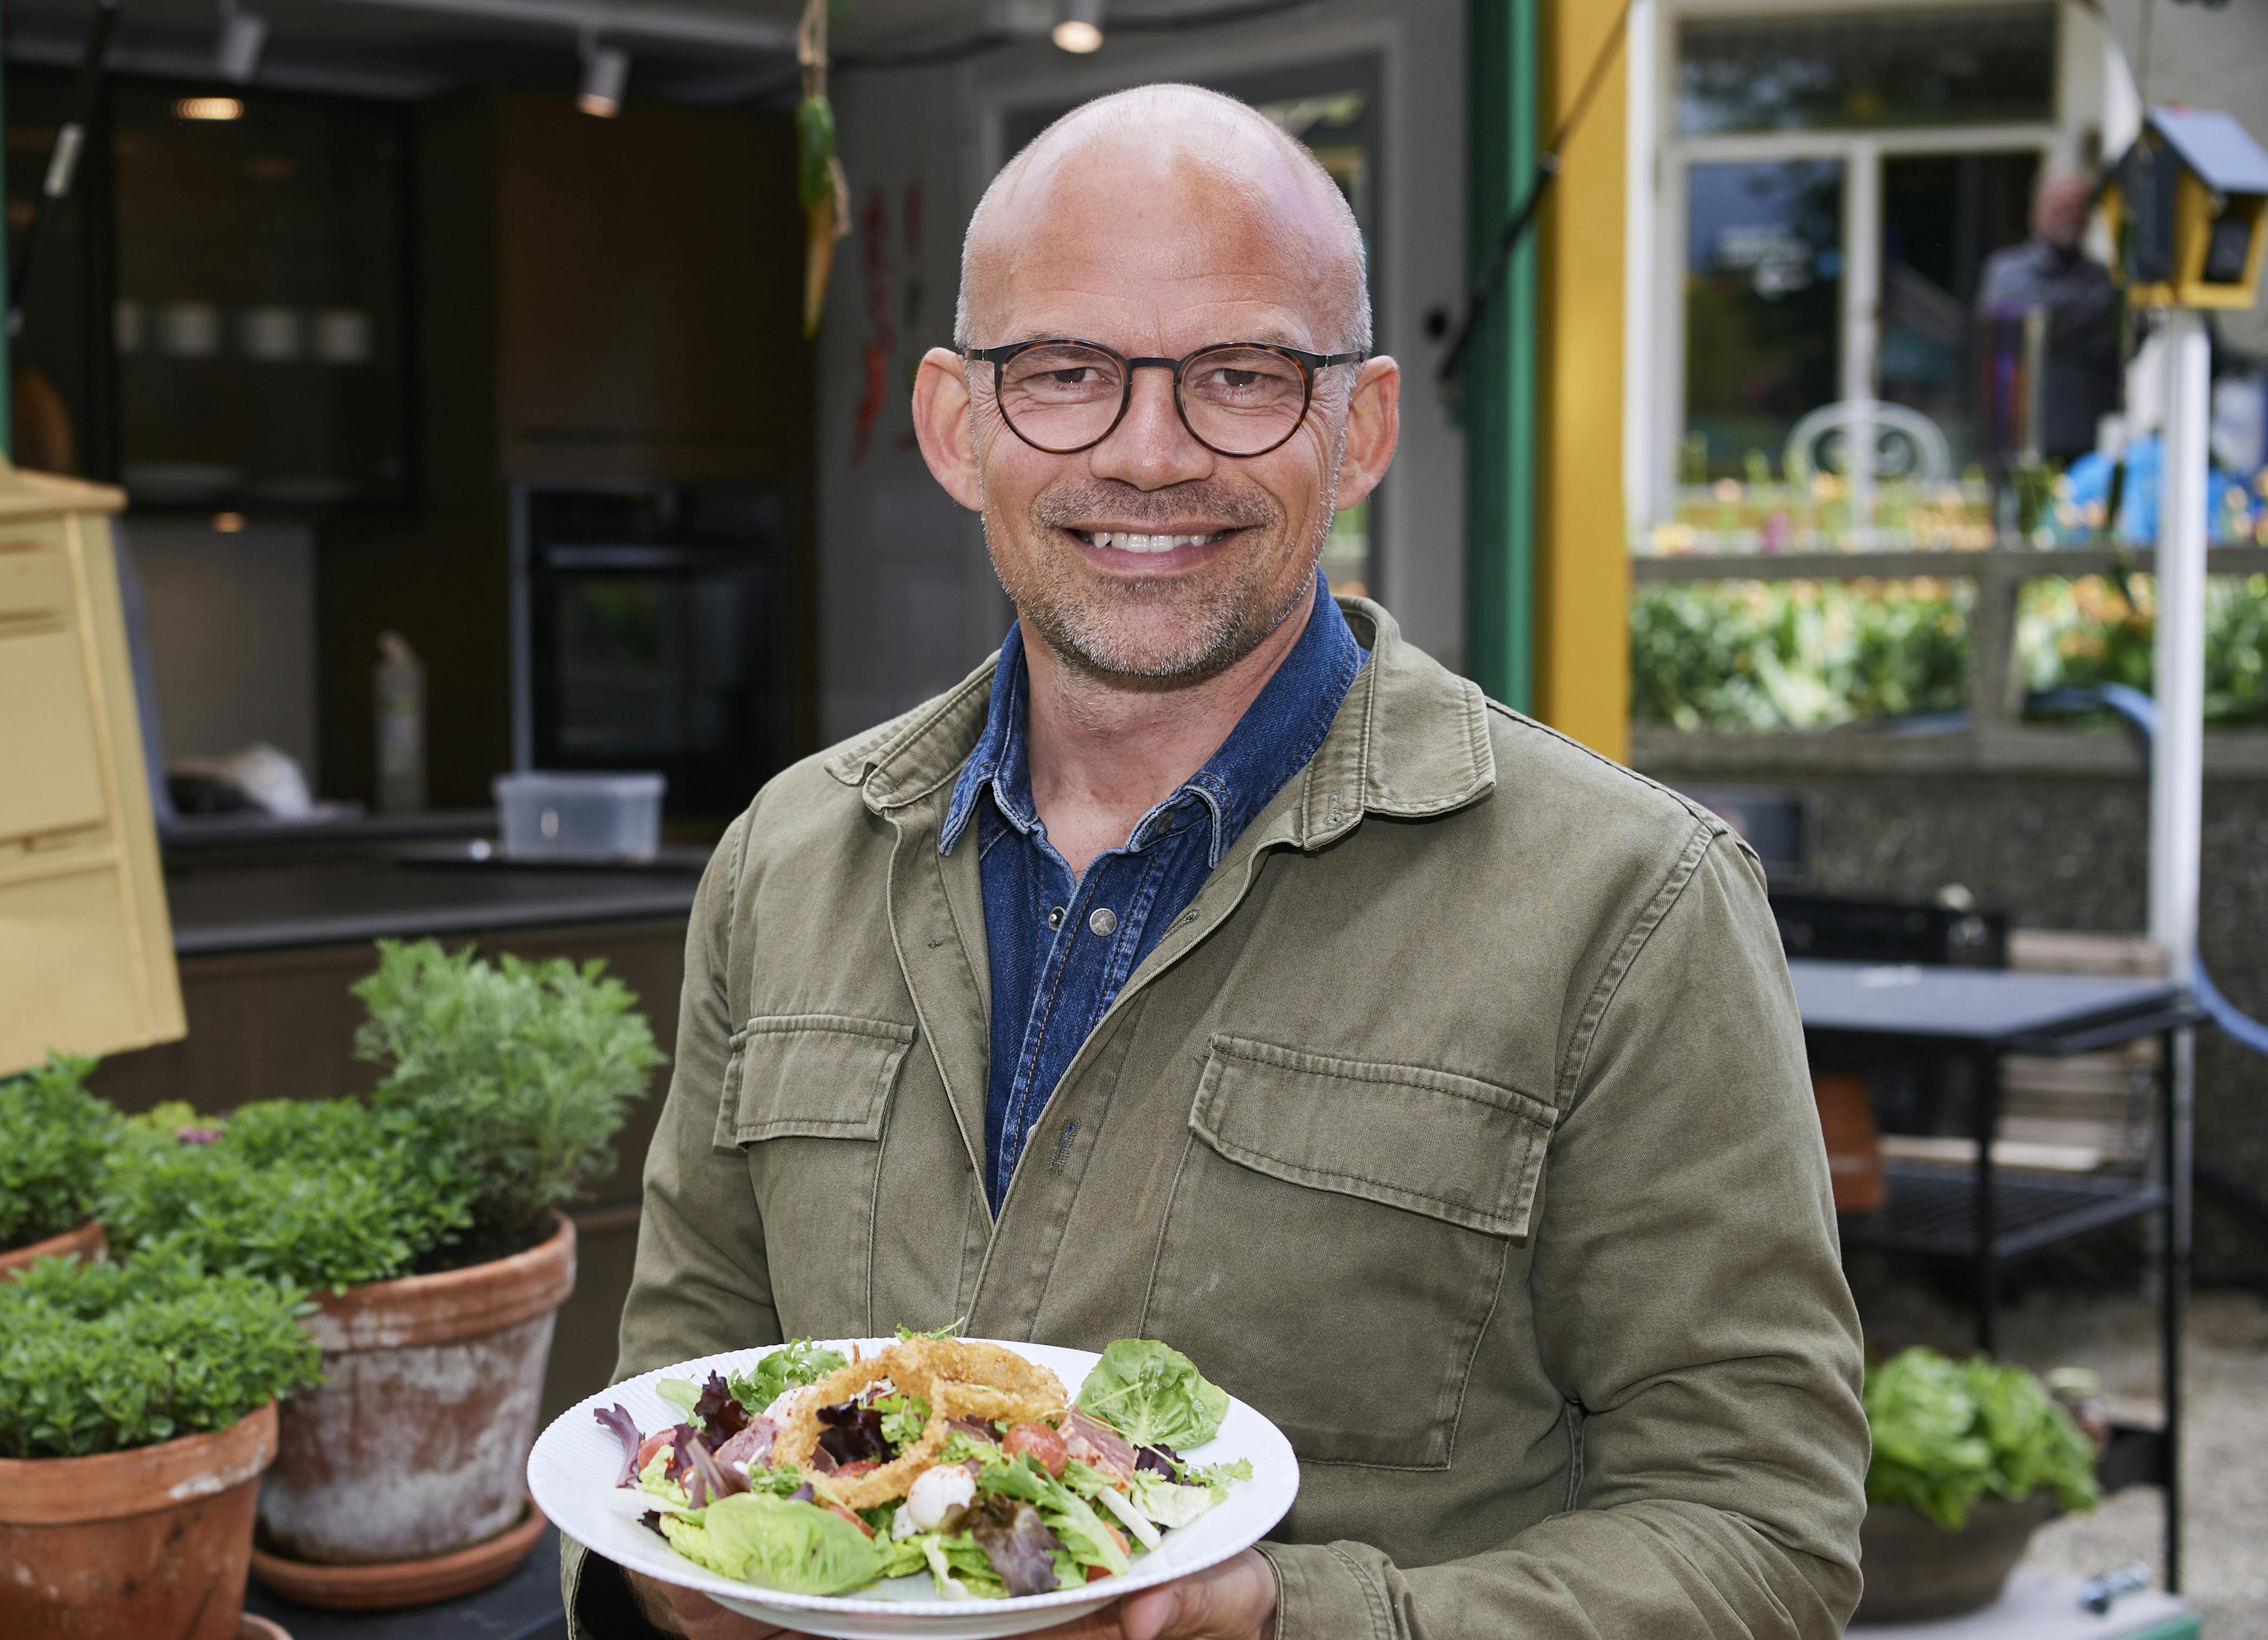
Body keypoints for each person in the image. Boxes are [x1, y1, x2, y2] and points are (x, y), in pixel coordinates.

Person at [563, 84, 1866, 1639]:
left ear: (1360, 423)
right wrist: (660, 1587)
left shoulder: (1625, 904)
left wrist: (1282, 1621)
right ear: (954, 424)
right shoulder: (787, 859)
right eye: (1064, 373)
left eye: (1240, 376)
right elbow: (675, 1408)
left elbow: (1761, 1532)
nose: (1151, 451)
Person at [1978, 170, 2123, 464]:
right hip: (2021, 439)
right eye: (2060, 206)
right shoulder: (2009, 272)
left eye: (2078, 207)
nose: (2070, 216)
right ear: (2036, 213)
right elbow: (2034, 322)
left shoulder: (2103, 277)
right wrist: (2095, 309)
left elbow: (2120, 340)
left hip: (2090, 442)